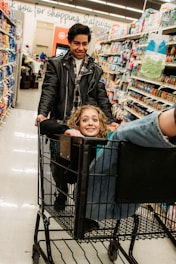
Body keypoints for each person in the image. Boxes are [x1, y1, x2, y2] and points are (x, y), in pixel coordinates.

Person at [36, 23, 118, 210]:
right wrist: (42, 113)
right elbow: (49, 90)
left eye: (84, 43)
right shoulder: (56, 64)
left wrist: (111, 121)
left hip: (85, 124)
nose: (80, 48)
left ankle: (83, 200)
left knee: (84, 164)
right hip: (63, 122)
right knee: (59, 162)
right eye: (76, 43)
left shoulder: (95, 69)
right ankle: (61, 193)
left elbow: (102, 96)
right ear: (69, 42)